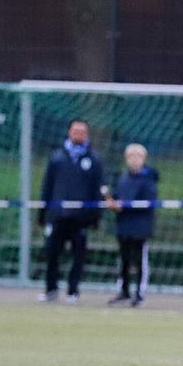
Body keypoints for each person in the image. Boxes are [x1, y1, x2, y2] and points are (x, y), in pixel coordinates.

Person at [37, 119, 106, 304]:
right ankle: (51, 289)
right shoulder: (57, 157)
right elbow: (47, 186)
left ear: (87, 134)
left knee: (78, 257)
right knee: (52, 254)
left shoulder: (94, 159)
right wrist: (43, 214)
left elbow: (97, 188)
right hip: (58, 216)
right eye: (75, 131)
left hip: (80, 218)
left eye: (82, 131)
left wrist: (95, 217)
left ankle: (73, 291)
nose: (78, 134)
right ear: (69, 132)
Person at [106, 143, 159, 307]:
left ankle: (139, 293)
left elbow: (147, 202)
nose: (134, 160)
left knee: (139, 261)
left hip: (140, 227)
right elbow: (116, 197)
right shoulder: (123, 178)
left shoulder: (148, 179)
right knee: (124, 261)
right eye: (130, 156)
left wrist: (125, 205)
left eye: (138, 156)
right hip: (124, 226)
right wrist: (112, 203)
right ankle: (124, 291)